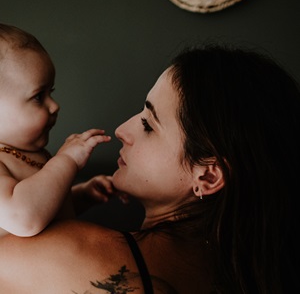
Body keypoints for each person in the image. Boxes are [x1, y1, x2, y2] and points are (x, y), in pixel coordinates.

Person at [0, 43, 299, 294]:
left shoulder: (73, 256)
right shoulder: (251, 275)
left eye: (148, 124)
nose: (121, 129)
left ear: (207, 175)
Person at [0, 23, 112, 237]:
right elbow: (24, 218)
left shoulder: (32, 154)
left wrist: (82, 196)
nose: (54, 105)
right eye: (38, 96)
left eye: (50, 92)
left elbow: (48, 210)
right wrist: (66, 160)